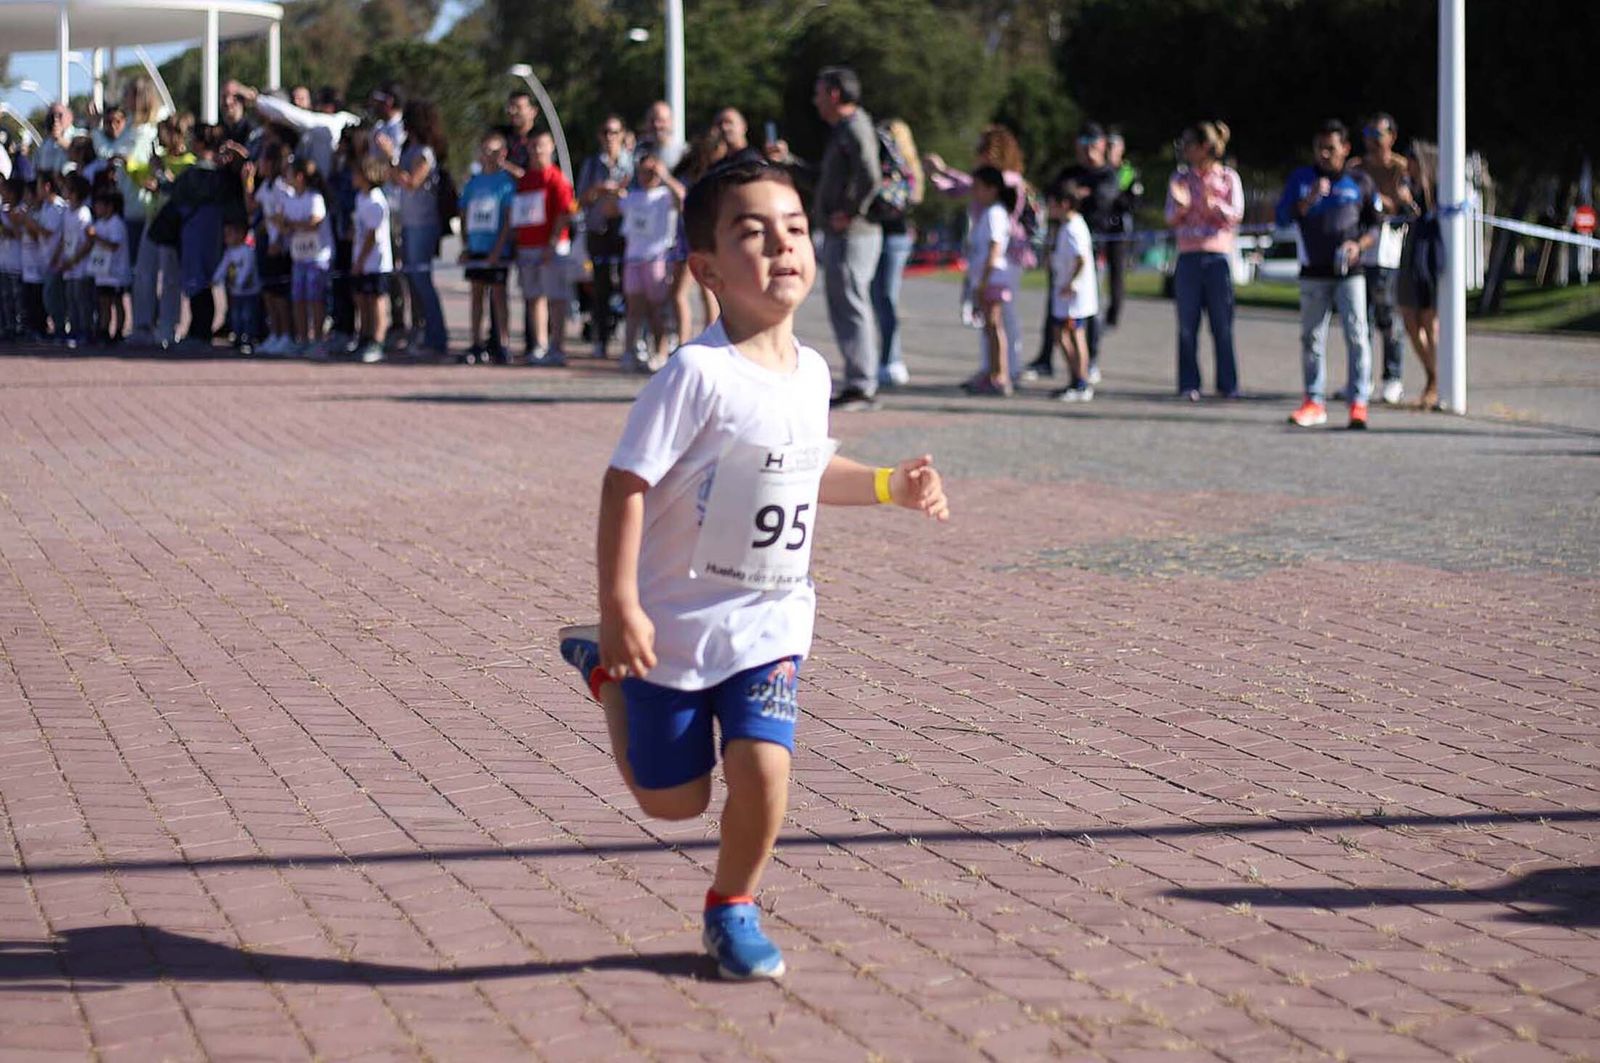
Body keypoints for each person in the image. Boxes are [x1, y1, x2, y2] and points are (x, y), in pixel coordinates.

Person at [556, 155, 949, 981]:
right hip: (673, 624)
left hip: (771, 621)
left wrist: (889, 486)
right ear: (706, 268)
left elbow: (806, 467)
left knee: (764, 766)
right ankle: (606, 670)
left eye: (795, 229)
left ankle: (732, 903)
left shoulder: (812, 371)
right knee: (675, 801)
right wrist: (619, 603)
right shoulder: (694, 375)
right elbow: (624, 485)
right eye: (753, 233)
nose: (783, 246)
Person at [1275, 118, 1381, 430]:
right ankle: (1313, 400)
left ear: (1345, 149)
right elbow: (1282, 217)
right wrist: (1306, 202)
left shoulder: (1360, 182)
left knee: (1357, 336)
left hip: (1350, 273)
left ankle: (1358, 402)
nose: (1324, 154)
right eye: (1319, 148)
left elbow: (1375, 224)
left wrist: (1358, 245)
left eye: (1330, 148)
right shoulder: (1301, 179)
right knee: (1311, 338)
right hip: (1313, 272)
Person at [925, 126, 1030, 384]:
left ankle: (1007, 368)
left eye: (984, 150)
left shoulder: (1009, 182)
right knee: (989, 319)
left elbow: (970, 184)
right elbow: (959, 188)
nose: (979, 156)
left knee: (1003, 318)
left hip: (1006, 259)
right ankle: (991, 367)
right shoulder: (984, 183)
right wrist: (936, 177)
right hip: (987, 259)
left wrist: (944, 170)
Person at [810, 66, 884, 411]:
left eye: (820, 92)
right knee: (845, 304)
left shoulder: (855, 126)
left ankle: (862, 385)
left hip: (856, 233)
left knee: (852, 303)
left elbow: (871, 174)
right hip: (844, 232)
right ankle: (858, 380)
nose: (816, 100)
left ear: (835, 94)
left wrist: (851, 211)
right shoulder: (842, 130)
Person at [1165, 121, 1243, 401]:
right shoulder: (1180, 178)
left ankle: (1228, 383)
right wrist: (1182, 206)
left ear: (1204, 147)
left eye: (1189, 144)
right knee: (1187, 325)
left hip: (1217, 257)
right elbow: (1170, 217)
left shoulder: (1227, 177)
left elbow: (1236, 213)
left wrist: (1215, 205)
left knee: (1222, 324)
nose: (1184, 150)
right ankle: (1188, 383)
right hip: (1188, 257)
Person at [1039, 124, 1121, 382]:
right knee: (1060, 325)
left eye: (1092, 142)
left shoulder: (1107, 176)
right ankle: (1063, 369)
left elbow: (1083, 260)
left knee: (1078, 326)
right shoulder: (1069, 174)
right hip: (1064, 262)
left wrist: (1072, 282)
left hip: (1085, 262)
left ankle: (1082, 376)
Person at [1351, 113, 1412, 405]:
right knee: (1359, 319)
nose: (1372, 141)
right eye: (1368, 134)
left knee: (1387, 318)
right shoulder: (1356, 168)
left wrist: (1390, 201)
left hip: (1388, 252)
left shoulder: (1401, 168)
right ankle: (1361, 377)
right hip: (1361, 249)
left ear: (1392, 137)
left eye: (1378, 135)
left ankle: (1392, 378)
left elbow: (1407, 205)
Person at [613, 144, 685, 371]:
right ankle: (629, 351)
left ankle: (660, 351)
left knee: (657, 308)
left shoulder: (665, 196)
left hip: (657, 258)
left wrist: (665, 176)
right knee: (633, 308)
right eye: (644, 172)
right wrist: (615, 189)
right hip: (633, 259)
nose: (648, 176)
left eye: (652, 172)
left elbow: (682, 199)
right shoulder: (633, 196)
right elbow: (610, 209)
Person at [390, 99, 450, 359]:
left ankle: (437, 337)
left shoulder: (424, 152)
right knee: (411, 280)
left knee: (422, 280)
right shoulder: (409, 148)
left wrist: (388, 157)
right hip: (408, 222)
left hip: (423, 224)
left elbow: (411, 181)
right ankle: (421, 331)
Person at [513, 131, 577, 365]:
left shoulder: (557, 179)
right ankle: (539, 345)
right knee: (533, 297)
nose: (537, 151)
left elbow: (564, 213)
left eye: (541, 146)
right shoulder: (525, 180)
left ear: (551, 148)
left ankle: (557, 345)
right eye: (533, 146)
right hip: (527, 247)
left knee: (556, 298)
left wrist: (552, 243)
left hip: (551, 247)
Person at [576, 115, 635, 359]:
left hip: (626, 232)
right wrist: (598, 190)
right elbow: (579, 200)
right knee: (599, 287)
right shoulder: (592, 165)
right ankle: (600, 339)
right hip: (598, 230)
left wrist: (622, 195)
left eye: (614, 132)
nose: (610, 137)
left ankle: (632, 341)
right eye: (605, 132)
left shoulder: (632, 163)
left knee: (629, 286)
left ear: (622, 134)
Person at [870, 119, 924, 388]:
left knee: (887, 297)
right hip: (877, 233)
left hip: (896, 236)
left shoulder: (903, 169)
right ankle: (885, 357)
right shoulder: (886, 163)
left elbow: (912, 199)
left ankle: (892, 360)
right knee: (877, 299)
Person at [458, 131, 517, 364]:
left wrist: (499, 248)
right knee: (476, 295)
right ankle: (475, 342)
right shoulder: (474, 182)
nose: (489, 155)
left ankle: (503, 342)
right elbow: (464, 214)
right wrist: (465, 245)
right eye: (485, 150)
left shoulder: (505, 183)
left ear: (502, 153)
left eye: (494, 151)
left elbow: (508, 218)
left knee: (499, 296)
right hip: (476, 246)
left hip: (496, 249)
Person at [1397, 140, 1442, 411]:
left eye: (1412, 159)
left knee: (1428, 321)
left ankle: (1435, 382)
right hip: (1410, 254)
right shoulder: (1408, 187)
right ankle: (1432, 376)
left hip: (1428, 256)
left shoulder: (1435, 190)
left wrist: (1411, 202)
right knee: (1410, 320)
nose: (1408, 164)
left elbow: (1430, 217)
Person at [965, 167, 1017, 396]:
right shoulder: (987, 212)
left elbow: (995, 248)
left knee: (995, 326)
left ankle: (1000, 374)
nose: (974, 192)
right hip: (985, 278)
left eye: (978, 187)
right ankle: (992, 371)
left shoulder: (995, 212)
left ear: (992, 189)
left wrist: (984, 281)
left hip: (993, 279)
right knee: (988, 327)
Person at [1048, 181, 1098, 402]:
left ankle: (1081, 381)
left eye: (1052, 203)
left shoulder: (1074, 227)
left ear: (1064, 204)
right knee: (1062, 334)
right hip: (1065, 293)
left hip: (1073, 295)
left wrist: (1072, 282)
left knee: (1074, 335)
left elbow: (1081, 259)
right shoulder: (1065, 226)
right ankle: (1075, 378)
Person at [281, 157, 333, 356]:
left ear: (300, 177)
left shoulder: (315, 198)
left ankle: (318, 340)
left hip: (317, 256)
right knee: (299, 299)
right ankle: (303, 338)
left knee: (315, 299)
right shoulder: (291, 199)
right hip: (299, 256)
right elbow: (283, 221)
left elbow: (314, 222)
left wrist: (292, 224)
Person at [350, 155, 393, 364]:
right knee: (362, 298)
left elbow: (371, 236)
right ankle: (365, 335)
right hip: (361, 259)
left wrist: (360, 260)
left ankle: (378, 339)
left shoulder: (376, 200)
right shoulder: (361, 197)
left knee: (376, 299)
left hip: (376, 261)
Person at [56, 172, 97, 347]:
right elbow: (64, 237)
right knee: (70, 300)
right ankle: (73, 331)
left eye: (67, 188)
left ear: (74, 192)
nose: (64, 191)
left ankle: (86, 332)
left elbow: (89, 242)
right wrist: (60, 259)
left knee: (82, 301)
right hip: (68, 266)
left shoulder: (84, 213)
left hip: (81, 267)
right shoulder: (67, 212)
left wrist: (73, 260)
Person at [88, 188, 132, 344]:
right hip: (102, 271)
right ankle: (104, 330)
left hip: (116, 273)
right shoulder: (99, 223)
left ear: (109, 206)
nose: (96, 208)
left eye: (99, 205)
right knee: (103, 302)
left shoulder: (116, 224)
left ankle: (119, 331)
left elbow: (113, 245)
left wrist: (96, 237)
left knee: (117, 302)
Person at [212, 220, 261, 354]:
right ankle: (238, 337)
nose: (226, 238)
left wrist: (239, 282)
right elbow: (223, 266)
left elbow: (247, 269)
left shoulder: (248, 251)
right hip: (236, 293)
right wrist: (216, 278)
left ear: (240, 235)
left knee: (248, 316)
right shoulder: (229, 252)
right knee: (236, 315)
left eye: (229, 234)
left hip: (249, 292)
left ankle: (249, 338)